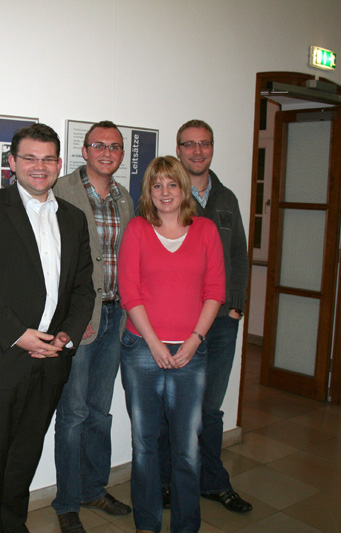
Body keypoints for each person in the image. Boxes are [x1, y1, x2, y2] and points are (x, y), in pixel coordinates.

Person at [0, 123, 95, 533]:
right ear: (12, 162)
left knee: (23, 459)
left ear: (59, 163)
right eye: (30, 157)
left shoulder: (72, 218)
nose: (39, 166)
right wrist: (20, 335)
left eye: (48, 158)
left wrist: (65, 336)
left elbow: (83, 287)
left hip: (50, 360)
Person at [118, 156, 225, 533]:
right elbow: (129, 292)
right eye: (157, 185)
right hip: (142, 350)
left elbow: (215, 291)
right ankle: (146, 525)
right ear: (148, 192)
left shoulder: (206, 230)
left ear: (184, 189)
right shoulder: (137, 229)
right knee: (145, 445)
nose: (165, 192)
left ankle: (186, 526)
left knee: (187, 449)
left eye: (172, 184)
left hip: (191, 353)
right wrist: (154, 343)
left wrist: (194, 341)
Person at [158, 120, 251, 514]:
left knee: (210, 408)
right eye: (189, 144)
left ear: (212, 148)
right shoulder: (167, 196)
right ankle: (166, 483)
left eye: (205, 144)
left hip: (221, 322)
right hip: (180, 322)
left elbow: (239, 255)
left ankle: (212, 482)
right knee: (173, 407)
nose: (197, 151)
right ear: (178, 149)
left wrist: (236, 304)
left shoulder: (226, 198)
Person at [51, 121, 134, 532]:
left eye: (114, 146)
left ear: (121, 154)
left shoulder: (125, 199)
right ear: (84, 151)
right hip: (81, 318)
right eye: (98, 145)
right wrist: (73, 316)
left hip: (115, 318)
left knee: (100, 411)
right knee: (73, 413)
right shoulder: (60, 190)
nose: (107, 152)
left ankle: (93, 488)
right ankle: (67, 501)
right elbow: (52, 260)